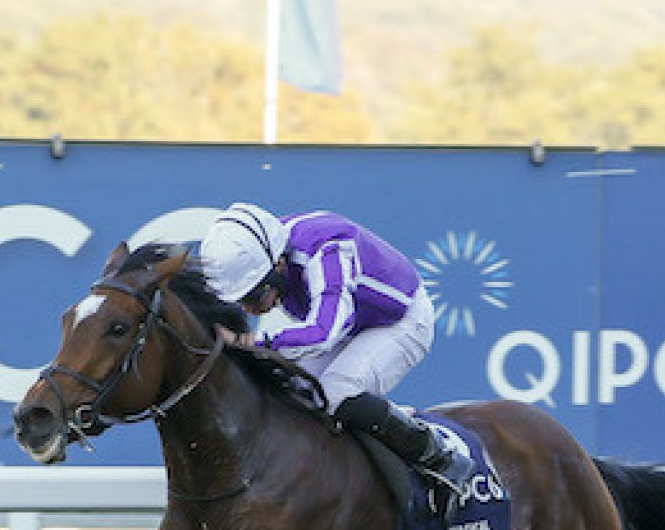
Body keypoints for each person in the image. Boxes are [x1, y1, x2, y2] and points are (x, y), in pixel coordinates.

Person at [197, 201, 475, 503]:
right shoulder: (266, 250)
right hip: (352, 322)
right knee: (293, 391)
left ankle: (440, 457)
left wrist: (253, 342)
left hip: (401, 321)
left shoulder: (326, 248)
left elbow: (325, 331)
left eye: (253, 295)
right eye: (240, 301)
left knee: (336, 393)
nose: (250, 309)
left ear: (278, 264)